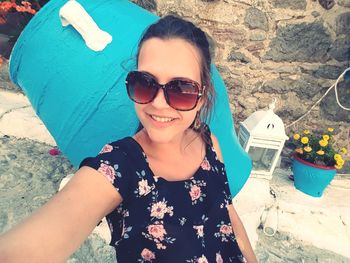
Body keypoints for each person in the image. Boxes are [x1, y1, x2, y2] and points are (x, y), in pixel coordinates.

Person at [0, 15, 257, 263]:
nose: (158, 104)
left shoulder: (209, 143)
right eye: (145, 83)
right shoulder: (120, 168)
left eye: (181, 90)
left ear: (201, 97)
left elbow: (229, 215)